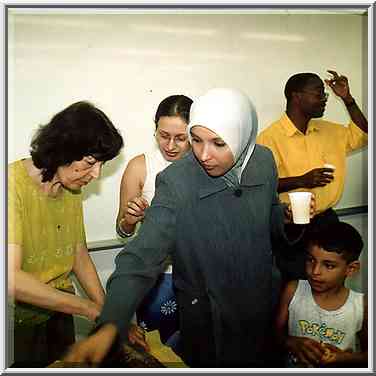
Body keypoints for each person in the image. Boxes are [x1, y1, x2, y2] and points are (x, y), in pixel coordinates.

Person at [64, 88, 311, 367]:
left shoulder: (263, 162)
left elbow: (270, 229)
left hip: (261, 307)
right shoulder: (177, 181)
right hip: (209, 319)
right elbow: (140, 258)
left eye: (219, 143)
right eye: (195, 140)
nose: (204, 154)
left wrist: (287, 221)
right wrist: (110, 324)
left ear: (242, 135)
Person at [7, 101, 127, 367]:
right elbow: (11, 279)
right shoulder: (10, 186)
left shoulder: (71, 187)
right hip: (15, 322)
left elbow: (78, 255)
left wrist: (108, 315)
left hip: (58, 312)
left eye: (100, 165)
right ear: (63, 149)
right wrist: (86, 307)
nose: (95, 175)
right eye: (90, 163)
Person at [257, 70, 368, 281]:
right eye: (319, 93)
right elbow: (261, 185)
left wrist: (348, 99)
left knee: (331, 284)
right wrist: (302, 180)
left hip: (327, 221)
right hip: (293, 227)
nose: (324, 99)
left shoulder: (329, 131)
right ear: (296, 96)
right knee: (296, 286)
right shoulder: (269, 139)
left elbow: (365, 134)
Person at [116, 94, 192, 349]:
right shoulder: (140, 166)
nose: (170, 145)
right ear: (155, 129)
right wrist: (129, 219)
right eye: (163, 135)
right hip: (157, 277)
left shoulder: (207, 165)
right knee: (158, 350)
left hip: (199, 275)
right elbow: (123, 230)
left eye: (181, 138)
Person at [274, 221, 367, 367]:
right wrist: (291, 342)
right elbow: (274, 335)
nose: (315, 271)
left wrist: (343, 358)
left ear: (351, 269)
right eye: (311, 260)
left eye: (328, 265)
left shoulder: (361, 305)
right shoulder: (293, 290)